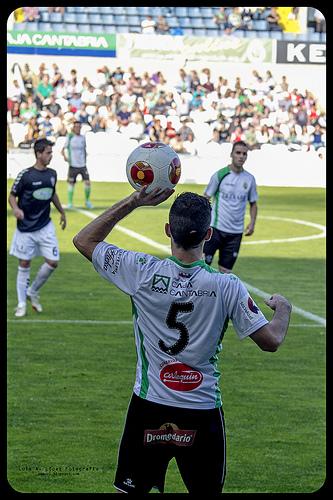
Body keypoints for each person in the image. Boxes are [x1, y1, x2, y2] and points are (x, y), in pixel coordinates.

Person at [73, 188, 291, 494]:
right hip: (202, 411)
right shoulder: (226, 285)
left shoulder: (141, 271)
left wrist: (134, 201)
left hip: (149, 407)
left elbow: (84, 240)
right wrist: (284, 309)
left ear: (167, 230)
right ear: (209, 234)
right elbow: (271, 340)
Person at [8, 138, 66, 318]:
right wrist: (16, 209)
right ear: (38, 153)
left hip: (45, 226)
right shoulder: (25, 175)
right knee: (24, 264)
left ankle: (32, 291)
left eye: (51, 153)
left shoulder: (52, 174)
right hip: (25, 228)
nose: (50, 156)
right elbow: (12, 195)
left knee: (53, 262)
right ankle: (21, 304)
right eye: (48, 153)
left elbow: (52, 193)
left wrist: (62, 212)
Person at [203, 141, 258, 273]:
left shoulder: (249, 179)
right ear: (231, 154)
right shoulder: (220, 175)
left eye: (244, 154)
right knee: (202, 268)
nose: (241, 156)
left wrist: (252, 223)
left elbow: (253, 203)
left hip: (235, 233)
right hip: (215, 229)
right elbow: (205, 198)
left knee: (226, 273)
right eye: (238, 153)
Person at [61, 121, 93, 209]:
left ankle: (87, 201)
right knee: (71, 183)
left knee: (87, 182)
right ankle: (70, 203)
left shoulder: (83, 138)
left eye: (79, 127)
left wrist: (85, 159)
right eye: (76, 127)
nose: (78, 128)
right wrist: (65, 157)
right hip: (73, 165)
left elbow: (84, 149)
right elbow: (63, 149)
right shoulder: (70, 137)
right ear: (73, 128)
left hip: (82, 164)